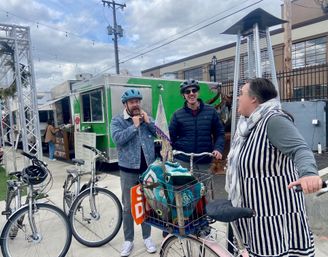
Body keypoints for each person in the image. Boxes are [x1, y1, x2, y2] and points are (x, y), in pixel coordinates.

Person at [225, 78, 323, 256]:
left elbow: (300, 148)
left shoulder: (274, 120)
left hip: (276, 214)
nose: (237, 98)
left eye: (241, 94)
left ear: (254, 99)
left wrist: (309, 173)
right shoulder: (247, 125)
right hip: (257, 212)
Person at [110, 88, 157, 257]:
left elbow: (159, 133)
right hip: (128, 170)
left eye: (137, 101)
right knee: (128, 206)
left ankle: (147, 237)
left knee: (147, 203)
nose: (136, 104)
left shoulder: (146, 117)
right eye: (132, 102)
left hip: (147, 170)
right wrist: (134, 127)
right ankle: (128, 240)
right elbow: (117, 139)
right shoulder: (118, 120)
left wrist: (148, 122)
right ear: (126, 104)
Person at [169, 79, 225, 175]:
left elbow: (219, 132)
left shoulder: (211, 111)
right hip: (183, 161)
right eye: (187, 92)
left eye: (194, 90)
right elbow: (170, 137)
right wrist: (172, 152)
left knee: (204, 188)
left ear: (198, 92)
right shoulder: (177, 114)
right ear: (183, 95)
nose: (191, 93)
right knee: (184, 189)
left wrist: (218, 148)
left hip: (204, 160)